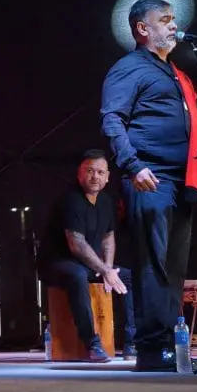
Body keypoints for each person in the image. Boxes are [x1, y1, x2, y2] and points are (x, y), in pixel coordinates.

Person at [100, 0, 197, 372]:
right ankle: (152, 348)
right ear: (142, 29)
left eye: (173, 19)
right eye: (164, 19)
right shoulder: (128, 68)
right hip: (150, 177)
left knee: (173, 266)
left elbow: (188, 124)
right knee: (152, 265)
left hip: (184, 180)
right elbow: (112, 120)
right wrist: (133, 165)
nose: (173, 25)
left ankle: (169, 342)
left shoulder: (176, 73)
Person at [38, 150, 135, 362]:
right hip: (57, 262)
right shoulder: (70, 200)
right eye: (90, 171)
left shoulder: (106, 201)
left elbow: (108, 237)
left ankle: (131, 342)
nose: (95, 177)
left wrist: (109, 269)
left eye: (100, 172)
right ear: (79, 173)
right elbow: (77, 244)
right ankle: (91, 343)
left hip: (90, 264)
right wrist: (104, 270)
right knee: (77, 275)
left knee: (128, 277)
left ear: (108, 177)